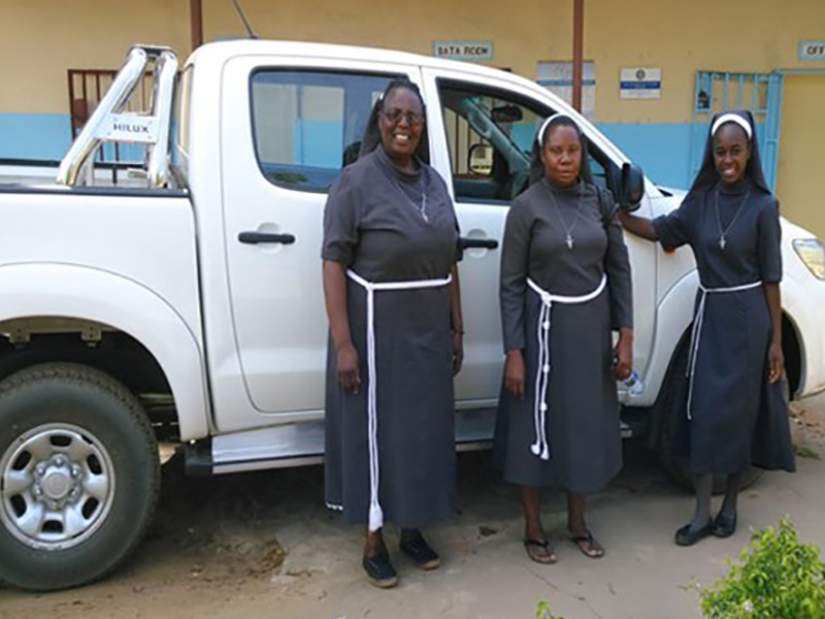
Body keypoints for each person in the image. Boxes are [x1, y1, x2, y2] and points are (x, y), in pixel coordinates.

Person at [618, 109, 795, 546]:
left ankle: (730, 506)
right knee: (705, 414)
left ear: (750, 152)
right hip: (711, 318)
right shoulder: (700, 202)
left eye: (735, 151)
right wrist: (616, 218)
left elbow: (772, 279)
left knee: (740, 416)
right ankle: (700, 514)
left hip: (750, 321)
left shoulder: (763, 206)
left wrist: (776, 341)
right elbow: (660, 231)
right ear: (711, 155)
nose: (727, 160)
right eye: (720, 152)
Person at [321, 78, 464, 587]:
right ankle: (373, 540)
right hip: (376, 333)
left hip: (427, 331)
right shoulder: (356, 182)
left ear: (423, 127)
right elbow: (333, 261)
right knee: (377, 437)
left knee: (420, 435)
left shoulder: (434, 183)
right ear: (380, 121)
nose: (404, 124)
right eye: (395, 116)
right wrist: (343, 343)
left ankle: (413, 530)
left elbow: (451, 260)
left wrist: (457, 326)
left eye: (414, 118)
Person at [494, 113, 634, 563]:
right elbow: (510, 283)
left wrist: (625, 336)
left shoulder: (600, 204)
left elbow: (619, 270)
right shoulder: (526, 207)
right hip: (540, 333)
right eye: (556, 151)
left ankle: (577, 521)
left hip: (589, 333)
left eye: (573, 150)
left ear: (582, 154)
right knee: (533, 426)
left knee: (584, 428)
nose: (565, 159)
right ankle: (534, 529)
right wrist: (514, 352)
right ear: (542, 154)